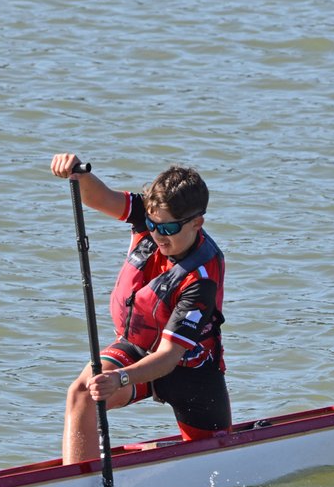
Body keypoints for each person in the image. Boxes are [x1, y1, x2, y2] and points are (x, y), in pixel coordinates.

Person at [50, 153, 232, 465]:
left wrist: (120, 379)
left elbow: (169, 356)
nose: (158, 235)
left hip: (191, 371)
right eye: (152, 225)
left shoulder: (201, 279)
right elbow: (99, 197)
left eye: (169, 228)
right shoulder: (149, 215)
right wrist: (78, 174)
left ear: (196, 222)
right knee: (83, 393)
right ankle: (77, 485)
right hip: (137, 348)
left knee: (217, 457)